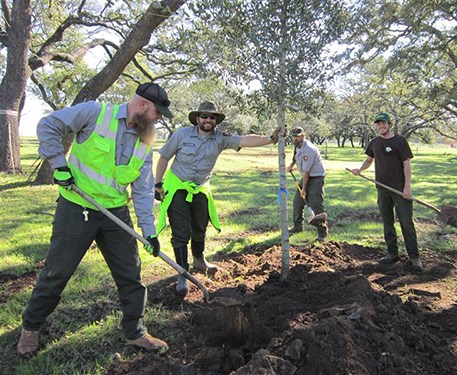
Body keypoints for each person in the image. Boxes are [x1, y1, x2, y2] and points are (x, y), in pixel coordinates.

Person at [17, 83, 172, 357]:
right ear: (143, 106)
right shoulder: (94, 113)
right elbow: (48, 125)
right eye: (158, 113)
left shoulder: (145, 142)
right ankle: (31, 328)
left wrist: (149, 232)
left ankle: (135, 333)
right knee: (57, 272)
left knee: (131, 274)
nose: (158, 119)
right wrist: (59, 164)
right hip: (77, 208)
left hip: (115, 214)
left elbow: (144, 190)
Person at [155, 101, 284, 296]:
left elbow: (244, 140)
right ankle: (183, 272)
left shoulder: (221, 139)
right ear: (197, 118)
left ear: (216, 120)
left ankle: (199, 260)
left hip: (200, 189)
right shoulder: (181, 134)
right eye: (204, 116)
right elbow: (164, 157)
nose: (208, 119)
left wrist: (270, 138)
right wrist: (157, 184)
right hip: (177, 187)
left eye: (212, 117)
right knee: (181, 231)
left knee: (200, 226)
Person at [349, 112, 422, 272]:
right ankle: (392, 253)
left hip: (400, 190)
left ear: (389, 124)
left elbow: (406, 164)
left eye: (383, 123)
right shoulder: (374, 143)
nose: (380, 126)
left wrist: (407, 187)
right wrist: (360, 169)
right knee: (387, 222)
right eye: (378, 124)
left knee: (406, 223)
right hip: (382, 189)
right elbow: (369, 160)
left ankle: (414, 257)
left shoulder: (400, 141)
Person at [286, 127, 328, 242]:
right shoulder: (297, 146)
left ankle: (322, 232)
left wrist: (303, 189)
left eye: (298, 136)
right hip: (307, 175)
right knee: (297, 202)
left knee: (315, 203)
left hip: (316, 177)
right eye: (294, 137)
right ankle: (297, 227)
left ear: (304, 136)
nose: (295, 139)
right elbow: (295, 157)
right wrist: (291, 165)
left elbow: (306, 173)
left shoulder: (308, 149)